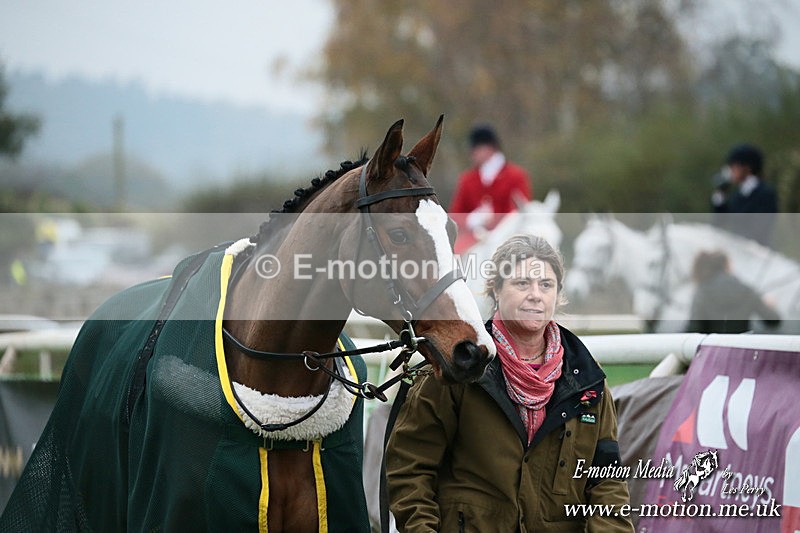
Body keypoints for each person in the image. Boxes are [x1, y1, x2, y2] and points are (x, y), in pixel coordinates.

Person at [386, 234, 634, 532]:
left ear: (558, 294)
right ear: (496, 289)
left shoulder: (588, 382)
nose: (535, 295)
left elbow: (607, 482)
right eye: (522, 283)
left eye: (546, 285)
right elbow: (410, 470)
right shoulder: (457, 369)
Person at [450, 125, 531, 253]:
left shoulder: (516, 176)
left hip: (508, 239)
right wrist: (472, 220)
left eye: (474, 149)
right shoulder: (467, 179)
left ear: (488, 148)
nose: (471, 154)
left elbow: (522, 212)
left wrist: (494, 222)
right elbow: (455, 215)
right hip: (473, 240)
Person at [687, 250, 780, 334]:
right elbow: (774, 321)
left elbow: (694, 329)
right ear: (726, 266)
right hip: (739, 346)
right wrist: (770, 306)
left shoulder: (702, 292)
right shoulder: (746, 290)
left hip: (710, 347)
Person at [711, 143, 778, 246]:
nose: (730, 171)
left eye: (733, 166)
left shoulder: (765, 193)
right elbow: (721, 223)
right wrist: (720, 198)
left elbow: (760, 228)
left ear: (747, 168)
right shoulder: (738, 195)